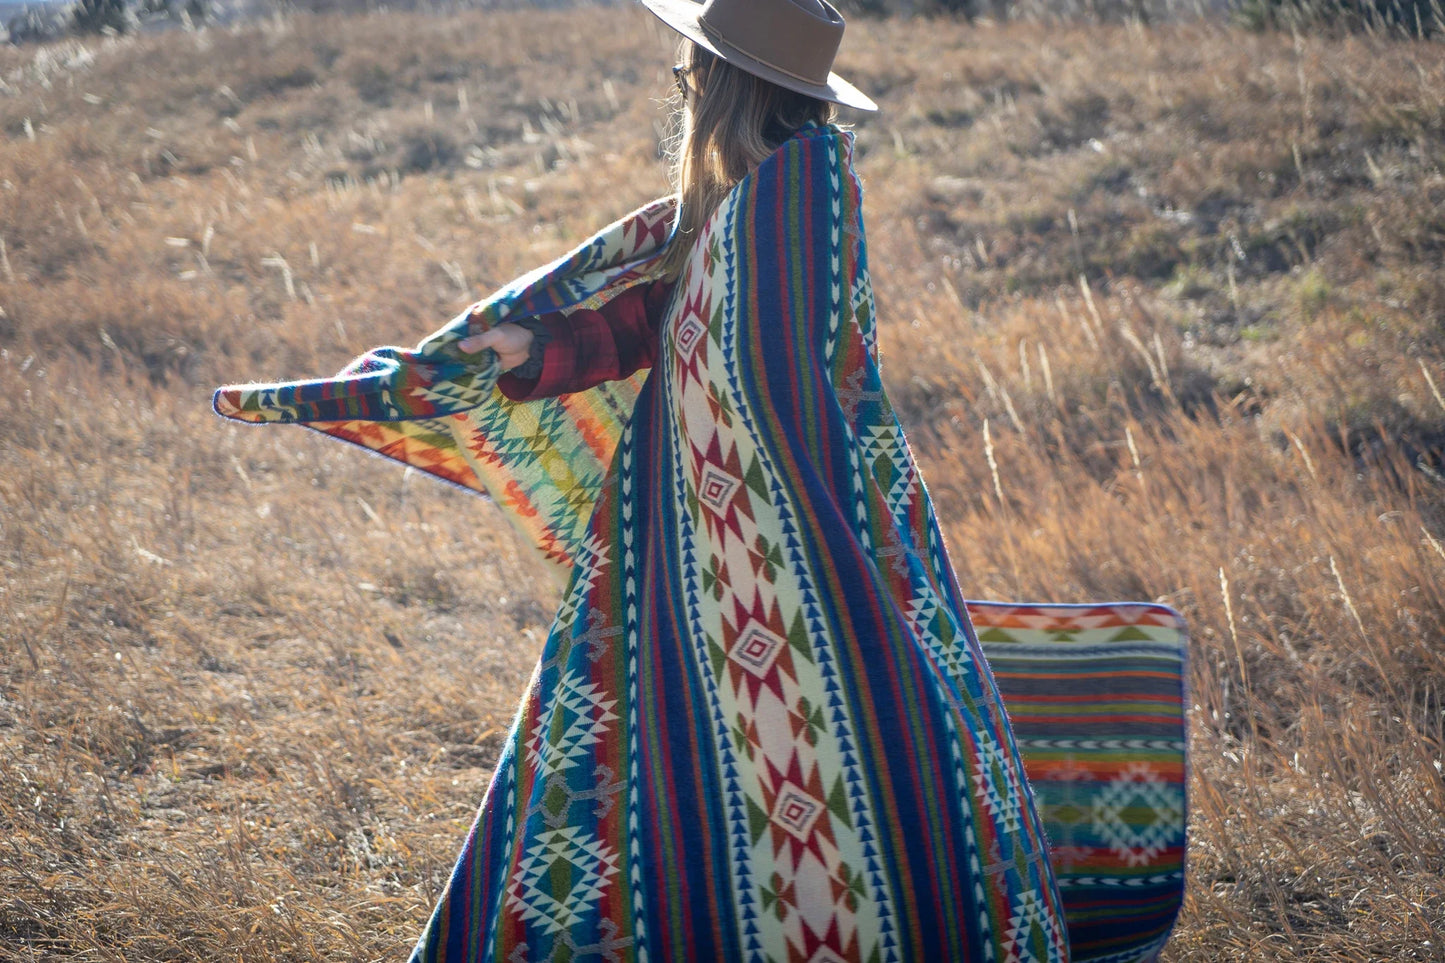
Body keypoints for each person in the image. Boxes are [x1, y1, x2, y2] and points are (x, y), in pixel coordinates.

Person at [216, 0, 1086, 958]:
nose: (682, 87)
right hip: (721, 543)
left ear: (723, 87)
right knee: (732, 744)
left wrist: (763, 537)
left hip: (784, 539)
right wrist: (531, 346)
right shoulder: (740, 204)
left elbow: (779, 382)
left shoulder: (798, 197)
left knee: (845, 732)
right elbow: (660, 321)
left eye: (688, 73)